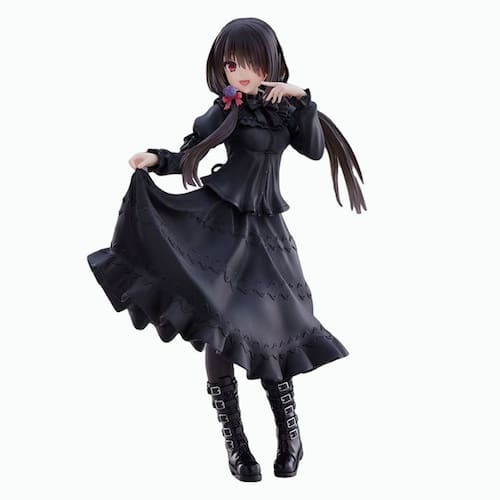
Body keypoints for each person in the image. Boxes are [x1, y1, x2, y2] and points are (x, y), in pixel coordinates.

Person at [87, 17, 366, 482]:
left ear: (269, 61)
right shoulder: (226, 108)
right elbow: (190, 154)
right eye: (232, 63)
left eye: (249, 61)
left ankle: (290, 436)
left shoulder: (285, 110)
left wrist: (302, 97)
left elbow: (315, 149)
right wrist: (156, 160)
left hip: (267, 231)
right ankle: (237, 444)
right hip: (219, 225)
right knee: (218, 326)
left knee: (274, 325)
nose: (240, 71)